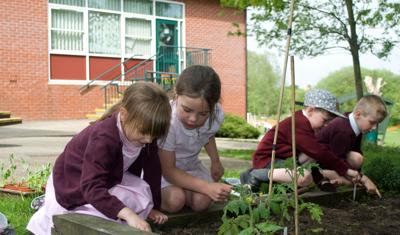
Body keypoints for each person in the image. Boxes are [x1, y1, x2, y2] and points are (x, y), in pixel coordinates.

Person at [27, 82, 172, 234]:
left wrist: (154, 207)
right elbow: (91, 186)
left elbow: (153, 170)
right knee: (98, 214)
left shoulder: (145, 129)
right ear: (123, 114)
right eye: (144, 133)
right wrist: (128, 214)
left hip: (108, 177)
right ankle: (46, 207)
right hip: (74, 182)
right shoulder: (104, 137)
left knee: (142, 194)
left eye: (154, 135)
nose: (149, 140)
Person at [241, 89, 360, 191]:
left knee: (310, 160)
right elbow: (319, 152)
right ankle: (255, 174)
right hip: (267, 161)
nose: (326, 125)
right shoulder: (297, 123)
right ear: (310, 110)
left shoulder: (305, 124)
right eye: (325, 120)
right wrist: (346, 170)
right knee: (304, 177)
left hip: (285, 160)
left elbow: (314, 155)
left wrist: (321, 181)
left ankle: (283, 181)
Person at [158, 65, 232, 213]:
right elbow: (168, 170)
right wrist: (206, 187)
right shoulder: (168, 122)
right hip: (162, 171)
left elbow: (207, 135)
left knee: (202, 202)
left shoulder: (216, 114)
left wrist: (215, 161)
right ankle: (166, 195)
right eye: (187, 110)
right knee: (175, 201)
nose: (193, 119)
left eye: (203, 114)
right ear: (176, 95)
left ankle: (186, 191)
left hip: (190, 167)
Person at [316, 94, 388, 197]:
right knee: (351, 180)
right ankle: (324, 175)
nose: (374, 128)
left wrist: (358, 175)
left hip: (334, 158)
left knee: (358, 158)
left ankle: (339, 179)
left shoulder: (355, 124)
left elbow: (355, 150)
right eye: (372, 122)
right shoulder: (342, 129)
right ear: (358, 114)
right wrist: (363, 179)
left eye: (377, 124)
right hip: (319, 162)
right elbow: (338, 159)